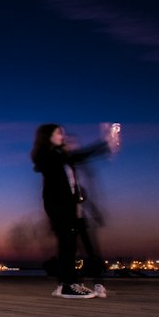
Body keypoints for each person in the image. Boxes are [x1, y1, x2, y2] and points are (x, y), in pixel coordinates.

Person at [30, 123, 117, 298]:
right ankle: (67, 285)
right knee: (67, 245)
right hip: (58, 206)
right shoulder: (46, 154)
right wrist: (104, 143)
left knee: (69, 245)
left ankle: (68, 283)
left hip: (68, 207)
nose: (62, 136)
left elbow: (78, 159)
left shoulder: (62, 156)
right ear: (48, 136)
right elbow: (57, 160)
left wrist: (105, 144)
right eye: (58, 133)